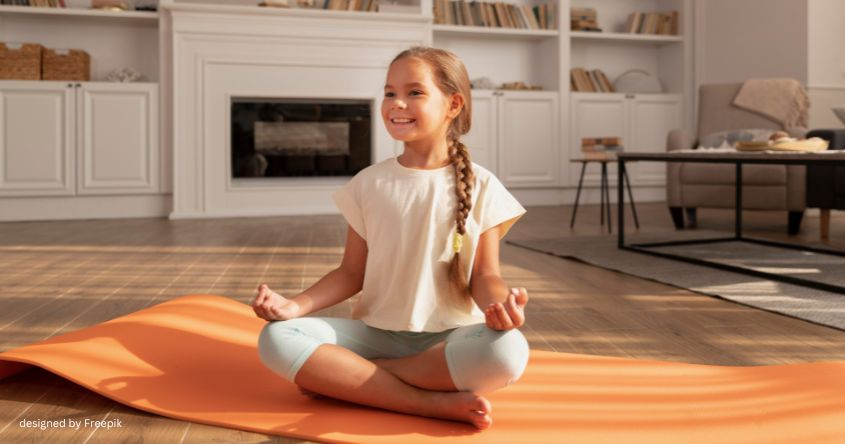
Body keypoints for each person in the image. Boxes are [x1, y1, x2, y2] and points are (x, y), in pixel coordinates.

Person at [252, 46, 529, 430]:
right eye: (389, 92)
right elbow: (351, 273)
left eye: (414, 92)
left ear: (453, 105)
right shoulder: (369, 183)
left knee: (508, 352)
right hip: (375, 334)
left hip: (450, 341)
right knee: (277, 338)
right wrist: (293, 307)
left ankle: (351, 378)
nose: (397, 103)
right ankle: (426, 403)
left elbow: (485, 275)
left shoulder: (483, 185)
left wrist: (500, 308)